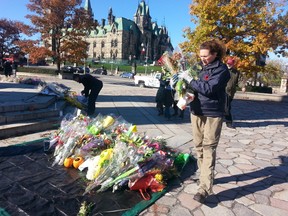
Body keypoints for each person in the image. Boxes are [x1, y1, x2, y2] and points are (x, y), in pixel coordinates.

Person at [171, 39, 230, 203]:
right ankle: (206, 176)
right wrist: (182, 92)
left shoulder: (222, 70)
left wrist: (190, 79)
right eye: (201, 55)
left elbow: (208, 89)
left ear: (215, 54)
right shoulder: (199, 67)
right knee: (198, 147)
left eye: (205, 56)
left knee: (209, 147)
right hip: (196, 111)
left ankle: (204, 188)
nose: (202, 58)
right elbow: (194, 89)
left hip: (212, 114)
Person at [225, 58, 240, 129]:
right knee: (226, 108)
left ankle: (226, 121)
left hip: (231, 93)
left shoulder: (236, 72)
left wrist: (242, 86)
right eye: (228, 63)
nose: (229, 65)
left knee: (227, 107)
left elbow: (239, 81)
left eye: (230, 64)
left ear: (233, 64)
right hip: (223, 91)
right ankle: (229, 123)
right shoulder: (223, 70)